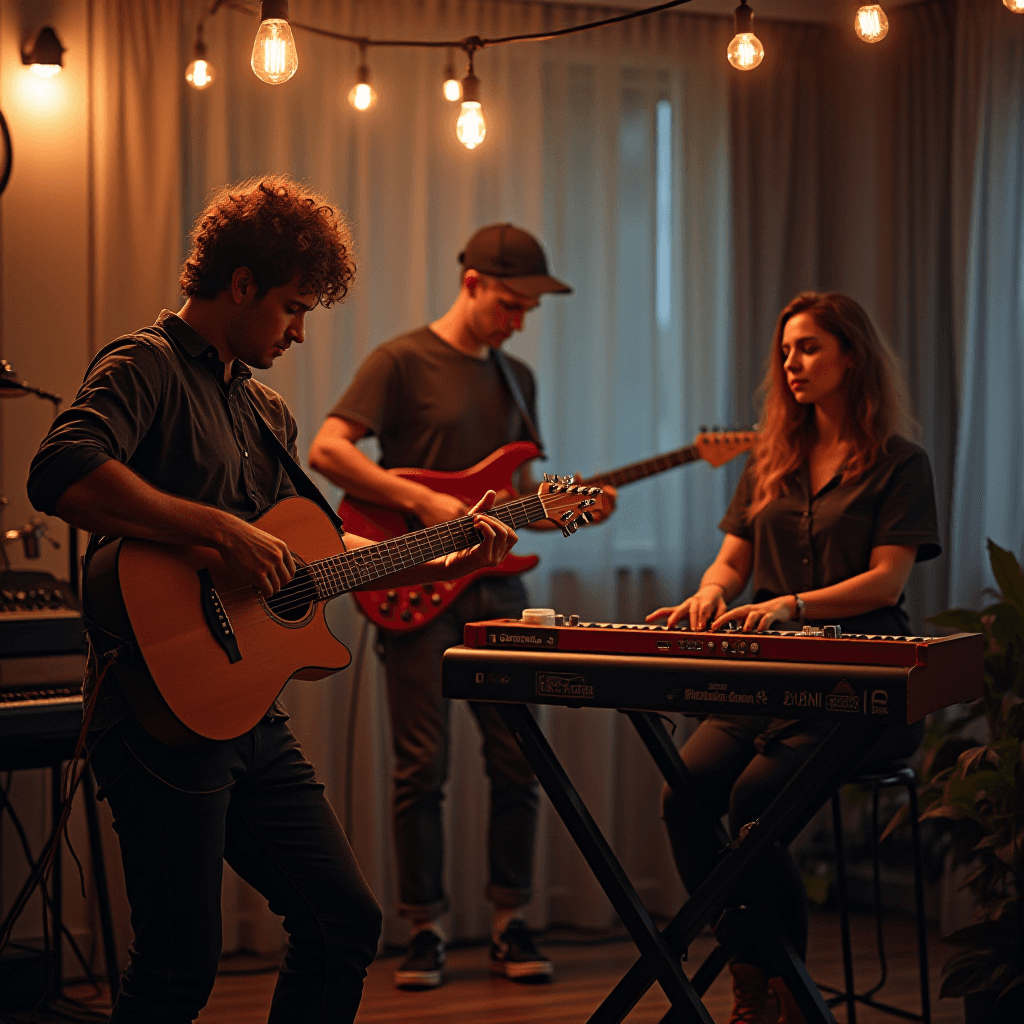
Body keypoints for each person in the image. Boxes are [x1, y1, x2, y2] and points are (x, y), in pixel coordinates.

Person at [26, 177, 519, 1024]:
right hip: (151, 715)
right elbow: (59, 471)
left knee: (343, 922)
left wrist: (449, 545)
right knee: (179, 964)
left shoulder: (265, 410)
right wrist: (220, 531)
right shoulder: (143, 363)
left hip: (249, 715)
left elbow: (319, 563)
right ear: (241, 284)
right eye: (292, 308)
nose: (298, 331)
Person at [309, 224, 614, 989]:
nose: (519, 321)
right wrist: (424, 500)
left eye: (527, 311)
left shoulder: (518, 379)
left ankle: (512, 920)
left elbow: (518, 502)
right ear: (472, 282)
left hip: (498, 587)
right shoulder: (400, 360)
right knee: (423, 766)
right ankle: (425, 928)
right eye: (510, 304)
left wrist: (572, 509)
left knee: (520, 760)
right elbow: (328, 450)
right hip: (415, 585)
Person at [646, 292, 940, 1024]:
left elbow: (887, 579)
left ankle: (778, 992)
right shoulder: (770, 460)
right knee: (684, 792)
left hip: (865, 682)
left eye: (808, 347)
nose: (792, 363)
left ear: (852, 354)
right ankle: (762, 972)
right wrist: (708, 595)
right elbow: (731, 562)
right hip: (769, 678)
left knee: (753, 802)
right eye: (785, 351)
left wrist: (795, 605)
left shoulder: (901, 464)